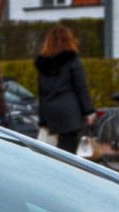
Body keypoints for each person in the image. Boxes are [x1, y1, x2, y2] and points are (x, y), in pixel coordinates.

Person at [33, 25, 95, 155]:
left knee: (55, 152)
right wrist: (89, 111)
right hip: (70, 113)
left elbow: (42, 92)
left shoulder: (43, 65)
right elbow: (81, 87)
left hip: (51, 113)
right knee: (69, 152)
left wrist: (43, 119)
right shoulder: (72, 60)